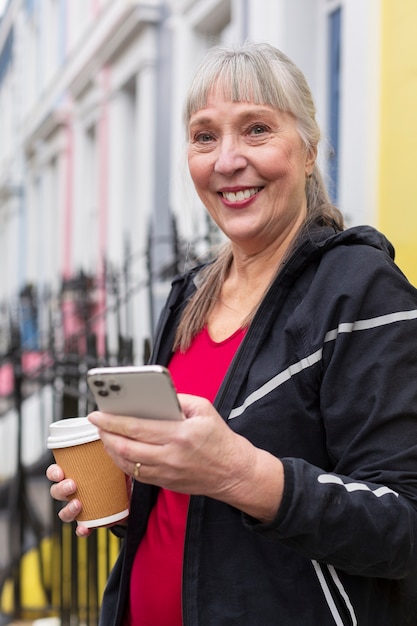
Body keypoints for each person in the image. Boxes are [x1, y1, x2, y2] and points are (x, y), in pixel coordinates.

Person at [47, 42, 417, 625]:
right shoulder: (190, 295)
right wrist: (129, 492)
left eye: (257, 129)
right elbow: (188, 513)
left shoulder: (361, 288)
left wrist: (240, 473)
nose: (227, 160)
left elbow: (403, 526)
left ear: (310, 149)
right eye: (204, 136)